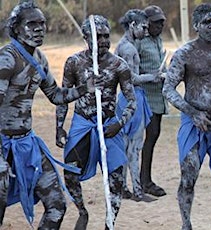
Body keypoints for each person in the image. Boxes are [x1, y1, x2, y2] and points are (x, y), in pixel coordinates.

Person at [0, 2, 93, 228]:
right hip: (2, 142)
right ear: (16, 28)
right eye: (32, 24)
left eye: (42, 23)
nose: (40, 28)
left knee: (57, 205)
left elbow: (55, 95)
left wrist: (85, 88)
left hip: (26, 143)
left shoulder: (39, 58)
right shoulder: (7, 58)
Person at [163, 4, 211, 229]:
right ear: (196, 26)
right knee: (189, 175)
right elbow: (168, 89)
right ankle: (186, 224)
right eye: (206, 22)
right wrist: (193, 113)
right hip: (193, 121)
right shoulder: (185, 54)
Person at [55, 15, 136, 228]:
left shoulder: (119, 65)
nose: (103, 41)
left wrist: (120, 123)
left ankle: (110, 223)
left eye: (106, 36)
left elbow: (132, 102)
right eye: (97, 37)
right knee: (70, 171)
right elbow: (64, 96)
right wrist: (59, 126)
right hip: (82, 123)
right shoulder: (74, 62)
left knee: (116, 179)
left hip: (109, 125)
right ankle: (82, 211)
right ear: (85, 38)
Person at [114, 9, 156, 202]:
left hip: (126, 98)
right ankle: (136, 191)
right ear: (133, 25)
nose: (146, 31)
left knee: (126, 146)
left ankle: (125, 188)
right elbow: (132, 78)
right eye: (143, 27)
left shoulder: (125, 46)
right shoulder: (128, 49)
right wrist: (154, 77)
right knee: (134, 147)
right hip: (132, 98)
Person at [135, 5, 168, 197]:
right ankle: (144, 181)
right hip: (145, 96)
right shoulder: (140, 41)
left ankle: (145, 179)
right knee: (146, 137)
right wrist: (151, 76)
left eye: (162, 22)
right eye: (156, 22)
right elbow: (130, 70)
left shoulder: (158, 40)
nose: (160, 25)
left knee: (153, 137)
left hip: (158, 96)